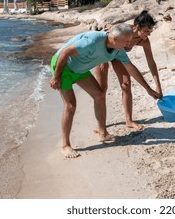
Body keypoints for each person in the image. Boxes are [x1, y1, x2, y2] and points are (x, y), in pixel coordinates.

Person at [50, 23, 162, 158]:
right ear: (115, 39)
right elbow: (65, 52)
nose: (128, 45)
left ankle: (103, 133)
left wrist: (148, 89)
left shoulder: (118, 50)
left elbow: (131, 68)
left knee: (99, 95)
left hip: (80, 70)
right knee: (70, 105)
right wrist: (56, 77)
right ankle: (65, 146)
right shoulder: (92, 41)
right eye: (126, 41)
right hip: (63, 67)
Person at [94, 11, 162, 131]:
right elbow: (107, 39)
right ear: (136, 28)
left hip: (119, 57)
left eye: (150, 31)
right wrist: (100, 61)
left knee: (126, 84)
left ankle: (129, 120)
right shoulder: (124, 30)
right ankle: (100, 125)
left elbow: (151, 63)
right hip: (103, 54)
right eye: (146, 31)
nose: (149, 34)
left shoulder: (144, 41)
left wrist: (157, 86)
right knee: (102, 89)